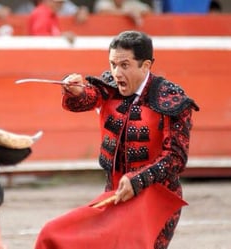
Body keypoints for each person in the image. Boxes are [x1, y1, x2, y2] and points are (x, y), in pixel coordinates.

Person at [35, 30, 199, 248]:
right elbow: (85, 99)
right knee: (54, 233)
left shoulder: (170, 98)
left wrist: (137, 179)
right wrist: (74, 91)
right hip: (115, 194)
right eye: (113, 64)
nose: (116, 72)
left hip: (156, 198)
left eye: (124, 65)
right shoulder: (109, 87)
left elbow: (176, 158)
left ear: (146, 66)